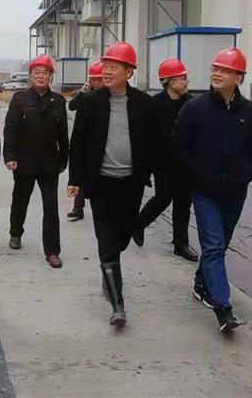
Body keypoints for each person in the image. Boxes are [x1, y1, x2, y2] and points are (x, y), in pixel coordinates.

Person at [67, 42, 156, 327]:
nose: (106, 71)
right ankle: (118, 305)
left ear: (128, 72)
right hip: (100, 183)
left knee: (121, 238)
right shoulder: (91, 103)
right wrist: (74, 180)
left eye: (113, 67)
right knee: (106, 241)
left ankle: (109, 274)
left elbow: (154, 142)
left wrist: (152, 171)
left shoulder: (144, 103)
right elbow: (77, 143)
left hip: (131, 183)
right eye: (105, 66)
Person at [176, 47, 252, 334]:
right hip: (205, 192)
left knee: (220, 245)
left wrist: (247, 174)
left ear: (239, 77)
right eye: (215, 68)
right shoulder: (195, 108)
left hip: (235, 192)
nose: (217, 73)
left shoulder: (248, 112)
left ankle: (201, 284)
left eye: (224, 70)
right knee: (213, 246)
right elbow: (180, 146)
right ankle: (223, 308)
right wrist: (197, 175)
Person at [4, 55, 69, 268]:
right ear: (30, 75)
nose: (41, 76)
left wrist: (63, 160)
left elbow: (63, 135)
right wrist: (9, 157)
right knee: (20, 200)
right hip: (24, 162)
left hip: (49, 164)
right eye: (37, 72)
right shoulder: (20, 99)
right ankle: (15, 232)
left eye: (45, 73)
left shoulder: (58, 101)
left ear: (50, 76)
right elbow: (10, 130)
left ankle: (52, 251)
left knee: (51, 208)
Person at [132, 58, 198, 262]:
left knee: (183, 204)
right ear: (170, 81)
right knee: (163, 198)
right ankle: (138, 224)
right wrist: (144, 169)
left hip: (186, 163)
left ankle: (181, 244)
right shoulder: (154, 105)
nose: (187, 82)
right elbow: (145, 138)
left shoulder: (192, 104)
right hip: (163, 164)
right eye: (183, 78)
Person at [65, 60, 103, 222]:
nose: (96, 83)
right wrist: (82, 92)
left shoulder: (110, 95)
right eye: (93, 80)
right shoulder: (86, 96)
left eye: (99, 79)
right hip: (85, 139)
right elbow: (72, 106)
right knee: (80, 174)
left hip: (102, 142)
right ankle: (78, 208)